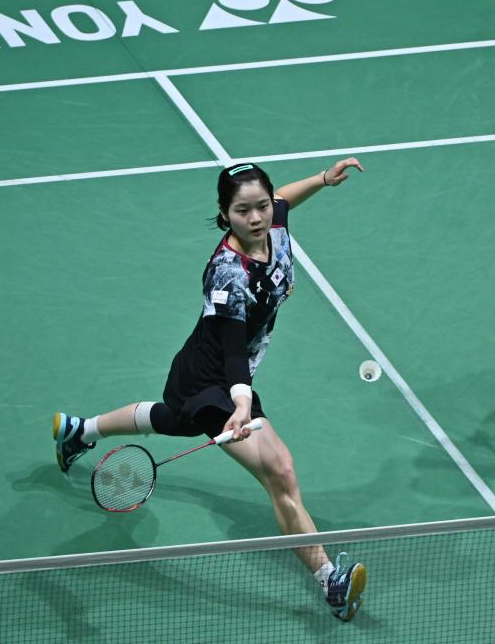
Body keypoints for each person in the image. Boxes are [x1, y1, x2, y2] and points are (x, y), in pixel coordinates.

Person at [52, 158, 368, 621]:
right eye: (243, 211)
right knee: (280, 470)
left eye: (261, 206)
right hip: (210, 381)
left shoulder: (272, 222)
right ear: (225, 215)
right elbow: (233, 350)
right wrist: (240, 402)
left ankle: (80, 431)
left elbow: (284, 200)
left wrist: (323, 180)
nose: (256, 217)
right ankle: (330, 581)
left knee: (170, 419)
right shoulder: (228, 274)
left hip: (205, 372)